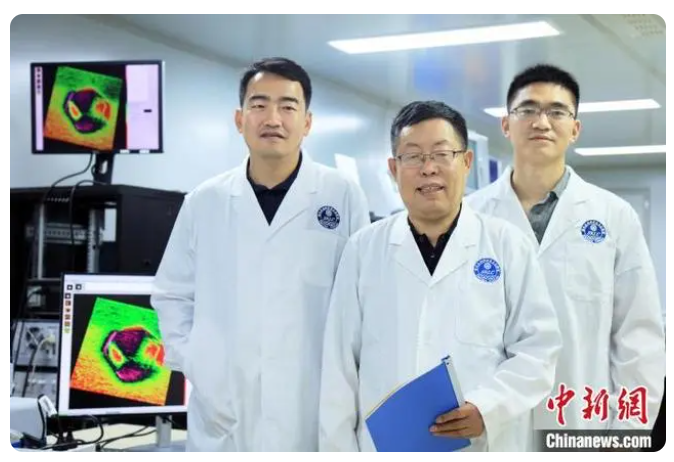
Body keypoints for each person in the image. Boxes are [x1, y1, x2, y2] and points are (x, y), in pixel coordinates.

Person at [151, 57, 371, 451]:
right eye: (259, 104)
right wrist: (197, 362)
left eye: (288, 106)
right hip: (225, 411)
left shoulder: (342, 194)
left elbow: (363, 297)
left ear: (307, 122)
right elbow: (172, 294)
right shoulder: (205, 200)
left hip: (315, 405)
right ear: (240, 119)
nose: (273, 118)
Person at [319, 101, 562, 452]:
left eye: (442, 154)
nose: (428, 168)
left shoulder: (507, 245)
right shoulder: (363, 250)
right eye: (413, 156)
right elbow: (339, 367)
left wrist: (487, 408)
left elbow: (538, 350)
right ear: (393, 169)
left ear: (466, 162)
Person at [465, 64, 665, 439]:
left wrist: (625, 435)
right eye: (527, 109)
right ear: (506, 125)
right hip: (491, 428)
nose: (541, 121)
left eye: (557, 111)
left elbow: (639, 338)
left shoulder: (614, 217)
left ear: (575, 129)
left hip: (580, 423)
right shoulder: (469, 217)